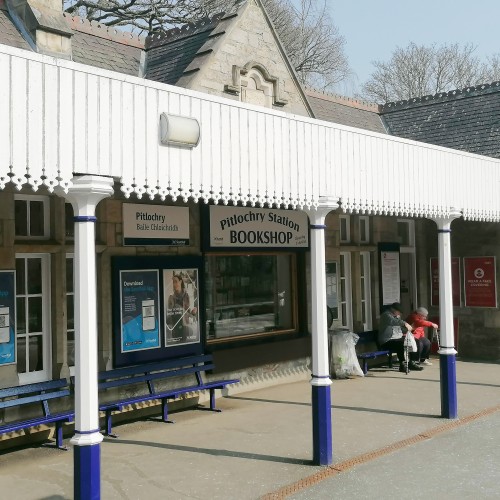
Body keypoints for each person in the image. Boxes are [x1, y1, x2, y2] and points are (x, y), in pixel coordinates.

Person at [378, 302, 424, 373]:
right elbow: (393, 321)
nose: (399, 314)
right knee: (401, 344)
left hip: (397, 338)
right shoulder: (386, 315)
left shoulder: (396, 317)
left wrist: (410, 328)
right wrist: (405, 323)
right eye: (398, 312)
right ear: (393, 310)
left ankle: (412, 362)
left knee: (415, 341)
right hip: (387, 340)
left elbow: (400, 328)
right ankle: (402, 364)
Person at [166, 273, 198, 344]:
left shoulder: (186, 295)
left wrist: (193, 313)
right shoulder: (171, 297)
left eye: (176, 281)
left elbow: (188, 313)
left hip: (185, 327)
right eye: (173, 282)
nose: (174, 284)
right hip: (176, 328)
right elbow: (170, 314)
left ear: (180, 282)